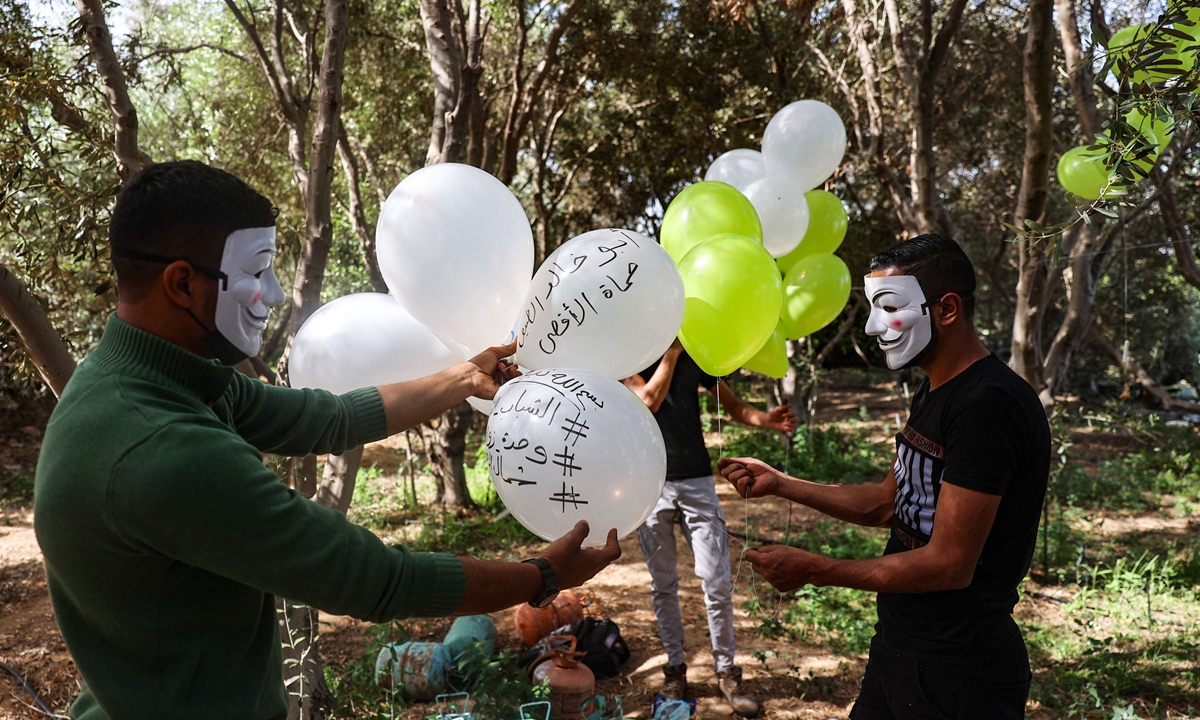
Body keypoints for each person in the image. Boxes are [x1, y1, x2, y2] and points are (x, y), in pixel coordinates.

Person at [34, 161, 620, 720]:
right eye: (257, 270)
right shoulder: (163, 447)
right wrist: (541, 575)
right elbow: (375, 579)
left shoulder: (147, 378)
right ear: (182, 283)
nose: (273, 292)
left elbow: (327, 417)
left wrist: (464, 377)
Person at [717, 234, 1050, 720]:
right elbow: (887, 504)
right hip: (901, 648)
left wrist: (815, 570)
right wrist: (782, 483)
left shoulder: (988, 406)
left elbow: (948, 564)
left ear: (948, 309)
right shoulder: (934, 390)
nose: (874, 327)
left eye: (888, 306)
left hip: (960, 672)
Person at [623, 340, 797, 717]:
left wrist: (768, 420)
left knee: (716, 581)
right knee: (663, 584)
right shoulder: (628, 357)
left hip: (698, 483)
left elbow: (733, 406)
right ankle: (674, 667)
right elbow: (648, 400)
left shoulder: (695, 357)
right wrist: (669, 354)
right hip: (651, 486)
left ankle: (727, 671)